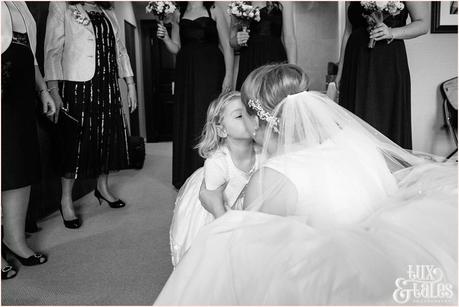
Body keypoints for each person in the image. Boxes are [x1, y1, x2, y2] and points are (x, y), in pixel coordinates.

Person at [154, 64, 457, 305]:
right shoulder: (353, 141)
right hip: (383, 277)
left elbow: (259, 269)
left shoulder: (273, 178)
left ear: (257, 122)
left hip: (328, 288)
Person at [44, 1, 137, 229]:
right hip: (78, 85)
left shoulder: (108, 10)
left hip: (108, 84)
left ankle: (102, 188)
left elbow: (120, 49)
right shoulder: (61, 5)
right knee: (74, 143)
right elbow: (52, 50)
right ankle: (66, 199)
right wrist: (54, 91)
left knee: (106, 136)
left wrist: (130, 84)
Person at [170, 91, 260, 266]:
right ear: (221, 130)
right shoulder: (217, 163)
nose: (249, 119)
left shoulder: (262, 152)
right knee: (215, 260)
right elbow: (213, 202)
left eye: (251, 112)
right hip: (216, 210)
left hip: (250, 207)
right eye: (240, 116)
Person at [1, 1, 56, 279]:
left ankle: (14, 239)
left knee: (18, 165)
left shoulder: (20, 3)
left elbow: (31, 55)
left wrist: (43, 90)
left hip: (20, 87)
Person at [157, 1, 234, 189]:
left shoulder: (214, 9)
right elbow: (177, 48)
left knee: (207, 117)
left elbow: (226, 46)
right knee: (188, 117)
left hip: (211, 70)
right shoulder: (177, 13)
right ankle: (187, 172)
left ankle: (213, 171)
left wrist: (229, 76)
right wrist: (166, 38)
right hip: (186, 72)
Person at [336, 2, 428, 149]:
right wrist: (341, 69)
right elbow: (348, 31)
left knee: (383, 117)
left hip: (387, 63)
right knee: (353, 119)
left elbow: (423, 24)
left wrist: (392, 32)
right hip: (355, 63)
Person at [231, 1, 297, 90]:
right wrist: (237, 40)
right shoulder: (238, 2)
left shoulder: (284, 2)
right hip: (249, 59)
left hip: (274, 58)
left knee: (273, 96)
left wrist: (294, 72)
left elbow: (289, 39)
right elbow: (232, 41)